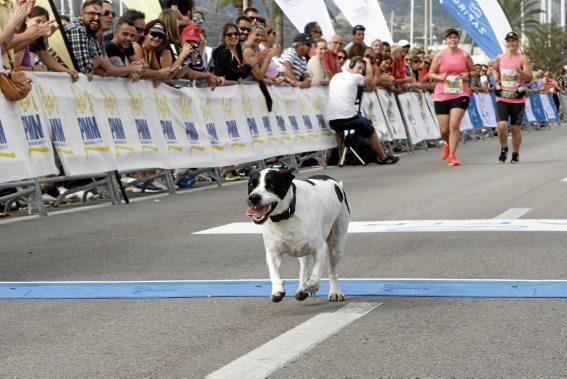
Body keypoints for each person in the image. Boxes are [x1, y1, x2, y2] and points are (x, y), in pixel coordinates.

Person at [327, 56, 399, 165]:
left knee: (339, 131)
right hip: (349, 119)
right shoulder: (354, 77)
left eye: (362, 69)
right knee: (369, 127)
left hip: (332, 121)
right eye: (359, 68)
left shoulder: (336, 76)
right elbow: (369, 79)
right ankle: (383, 157)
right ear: (350, 66)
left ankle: (342, 158)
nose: (360, 71)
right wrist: (368, 62)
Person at [428, 28, 476, 166]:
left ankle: (452, 155)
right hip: (442, 93)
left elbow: (474, 71)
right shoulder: (440, 55)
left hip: (461, 93)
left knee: (454, 125)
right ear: (446, 40)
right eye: (450, 38)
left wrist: (468, 75)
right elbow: (431, 73)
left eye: (455, 37)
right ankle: (448, 144)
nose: (453, 40)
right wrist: (440, 77)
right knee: (444, 129)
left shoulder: (465, 55)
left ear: (458, 39)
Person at [492, 31, 533, 164]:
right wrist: (495, 75)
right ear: (506, 43)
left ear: (517, 42)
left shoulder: (523, 59)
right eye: (509, 41)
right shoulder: (500, 57)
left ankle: (515, 153)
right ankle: (504, 148)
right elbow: (493, 69)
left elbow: (529, 78)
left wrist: (520, 71)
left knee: (515, 129)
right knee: (502, 125)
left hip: (517, 98)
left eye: (514, 41)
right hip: (502, 97)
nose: (511, 43)